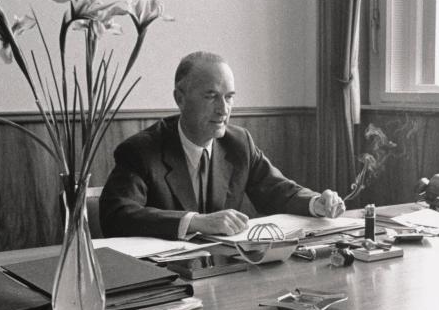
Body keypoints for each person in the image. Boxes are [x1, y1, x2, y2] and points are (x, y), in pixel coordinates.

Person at [100, 51, 345, 239]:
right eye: (211, 96)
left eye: (229, 97)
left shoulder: (238, 143)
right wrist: (195, 221)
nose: (223, 109)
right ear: (180, 99)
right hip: (165, 281)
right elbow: (116, 215)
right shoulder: (141, 150)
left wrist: (316, 203)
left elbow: (277, 192)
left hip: (224, 270)